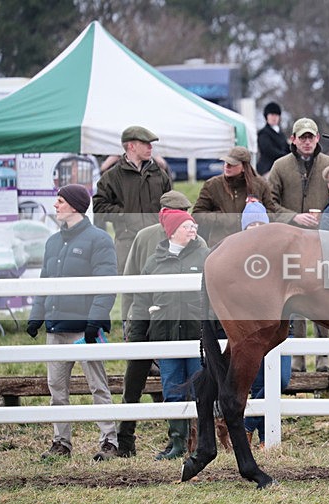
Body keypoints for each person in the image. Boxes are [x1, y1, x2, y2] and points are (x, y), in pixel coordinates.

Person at [26, 184, 119, 461]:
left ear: (75, 206)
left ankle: (109, 442)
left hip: (84, 330)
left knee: (98, 386)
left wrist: (95, 321)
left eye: (60, 201)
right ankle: (61, 442)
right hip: (56, 328)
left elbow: (106, 284)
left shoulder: (99, 240)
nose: (55, 205)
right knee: (57, 388)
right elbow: (46, 283)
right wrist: (36, 316)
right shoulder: (53, 242)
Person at [116, 190, 205, 458]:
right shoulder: (147, 244)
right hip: (159, 327)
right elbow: (134, 287)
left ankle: (197, 441)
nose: (190, 225)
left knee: (197, 385)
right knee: (142, 384)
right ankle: (128, 439)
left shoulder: (200, 246)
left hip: (190, 330)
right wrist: (130, 324)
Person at [270, 117, 329, 373]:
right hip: (292, 243)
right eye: (302, 137)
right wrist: (293, 217)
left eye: (311, 137)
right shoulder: (280, 167)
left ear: (318, 138)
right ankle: (297, 358)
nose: (307, 142)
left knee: (324, 298)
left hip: (323, 242)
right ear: (293, 140)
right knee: (294, 301)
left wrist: (326, 217)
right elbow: (270, 203)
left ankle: (324, 358)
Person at [239, 202, 293, 445]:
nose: (257, 228)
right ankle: (262, 438)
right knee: (258, 382)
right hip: (251, 330)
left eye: (261, 224)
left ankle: (247, 426)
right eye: (252, 224)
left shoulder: (282, 256)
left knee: (280, 379)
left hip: (279, 328)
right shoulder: (236, 256)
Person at [92, 125, 173, 274]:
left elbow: (172, 206)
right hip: (127, 242)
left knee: (159, 290)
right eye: (145, 144)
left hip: (157, 242)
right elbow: (99, 207)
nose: (150, 147)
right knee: (129, 292)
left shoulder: (160, 175)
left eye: (151, 144)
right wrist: (125, 215)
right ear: (131, 146)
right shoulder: (111, 177)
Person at [192, 146, 276, 247]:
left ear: (244, 167)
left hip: (253, 243)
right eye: (226, 162)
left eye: (232, 164)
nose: (227, 166)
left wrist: (257, 213)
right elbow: (197, 214)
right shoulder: (212, 185)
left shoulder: (260, 185)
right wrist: (223, 218)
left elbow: (272, 214)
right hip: (220, 245)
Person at [256, 102, 290, 178]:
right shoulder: (263, 133)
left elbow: (286, 147)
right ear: (266, 117)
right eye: (272, 115)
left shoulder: (281, 134)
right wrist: (285, 156)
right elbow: (268, 150)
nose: (274, 117)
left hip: (282, 166)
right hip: (267, 168)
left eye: (276, 115)